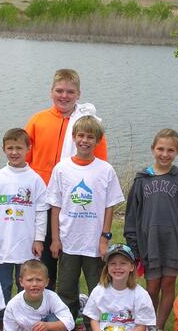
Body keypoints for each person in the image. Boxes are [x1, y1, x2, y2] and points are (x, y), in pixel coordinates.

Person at [25, 68, 108, 286]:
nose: (64, 96)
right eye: (59, 91)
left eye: (70, 92)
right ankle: (45, 298)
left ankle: (75, 299)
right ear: (51, 92)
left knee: (72, 256)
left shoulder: (87, 125)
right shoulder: (38, 120)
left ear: (78, 94)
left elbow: (99, 168)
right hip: (41, 201)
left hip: (72, 204)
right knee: (43, 256)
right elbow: (25, 160)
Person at [124, 129, 178, 331]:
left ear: (177, 152)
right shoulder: (142, 180)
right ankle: (147, 326)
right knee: (151, 287)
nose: (165, 154)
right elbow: (131, 216)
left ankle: (158, 329)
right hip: (149, 244)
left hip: (174, 244)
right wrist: (134, 247)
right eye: (161, 149)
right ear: (152, 149)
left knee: (168, 285)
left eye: (171, 150)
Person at [46, 116, 124, 320]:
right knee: (66, 287)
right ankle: (66, 321)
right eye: (81, 135)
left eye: (91, 137)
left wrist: (104, 237)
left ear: (98, 141)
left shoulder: (105, 170)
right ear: (73, 137)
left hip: (94, 242)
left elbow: (110, 206)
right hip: (69, 240)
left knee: (97, 285)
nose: (85, 140)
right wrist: (55, 239)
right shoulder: (62, 168)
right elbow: (55, 206)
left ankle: (95, 323)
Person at [0, 128, 48, 331]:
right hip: (2, 242)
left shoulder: (35, 179)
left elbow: (41, 212)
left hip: (25, 242)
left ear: (28, 149)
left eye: (19, 148)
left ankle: (23, 318)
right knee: (2, 283)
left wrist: (39, 239)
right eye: (10, 148)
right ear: (3, 150)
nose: (14, 152)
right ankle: (1, 320)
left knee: (24, 284)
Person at [80, 244, 156, 331]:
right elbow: (94, 318)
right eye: (113, 263)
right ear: (107, 267)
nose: (117, 267)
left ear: (132, 266)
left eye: (123, 263)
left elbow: (142, 326)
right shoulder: (100, 290)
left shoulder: (140, 294)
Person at [3, 260, 74, 331]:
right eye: (30, 280)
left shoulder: (51, 297)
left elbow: (69, 322)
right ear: (21, 282)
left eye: (39, 280)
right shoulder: (13, 305)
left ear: (46, 282)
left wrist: (48, 326)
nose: (34, 284)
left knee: (54, 319)